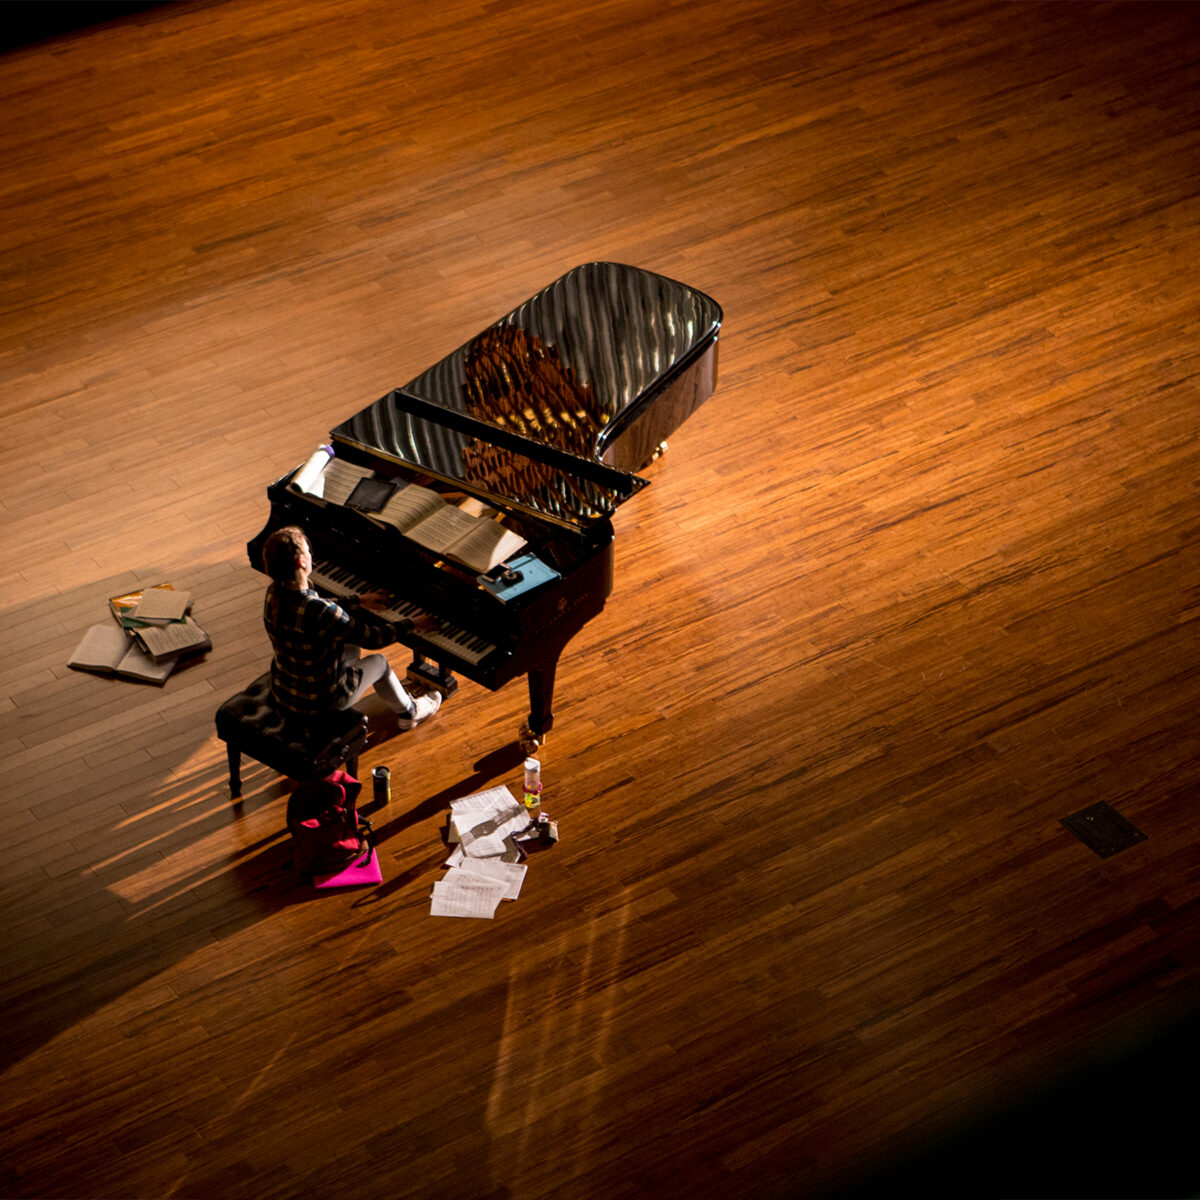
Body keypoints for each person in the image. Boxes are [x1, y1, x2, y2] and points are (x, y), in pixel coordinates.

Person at [261, 524, 441, 729]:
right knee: (380, 662)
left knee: (347, 642)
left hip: (285, 690)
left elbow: (320, 611)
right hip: (324, 702)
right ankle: (410, 712)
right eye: (307, 550)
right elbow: (374, 638)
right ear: (302, 561)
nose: (311, 553)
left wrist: (358, 600)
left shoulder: (273, 594)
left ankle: (391, 698)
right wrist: (413, 623)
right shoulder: (321, 611)